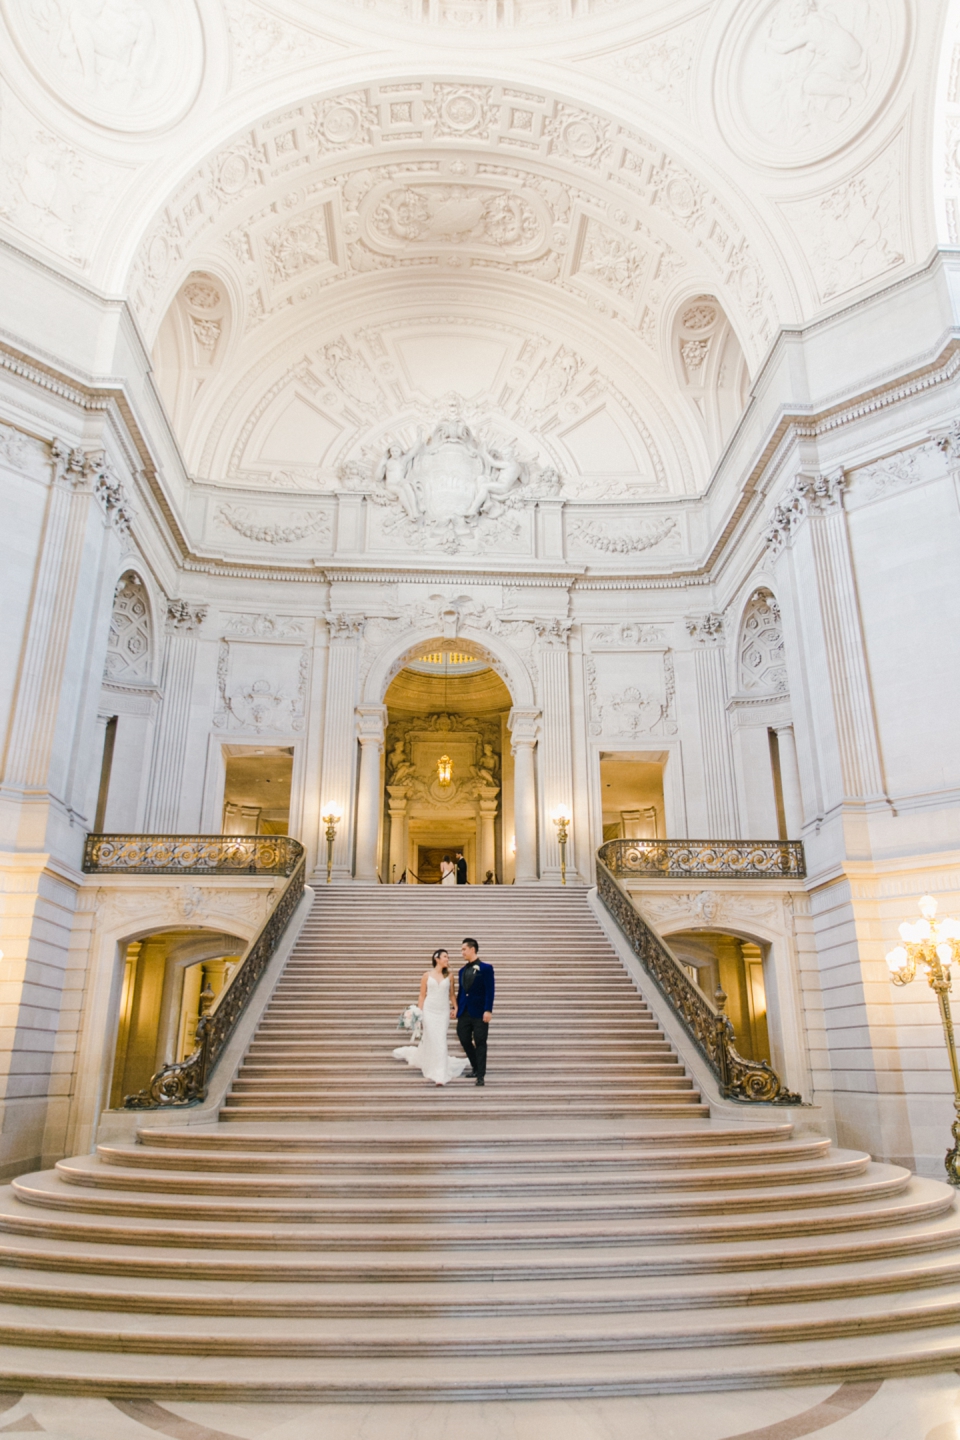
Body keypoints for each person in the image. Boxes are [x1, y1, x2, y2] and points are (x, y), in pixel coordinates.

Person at [392, 950, 466, 1086]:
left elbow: (452, 995)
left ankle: (441, 1072)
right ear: (436, 958)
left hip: (443, 1011)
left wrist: (455, 1008)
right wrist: (419, 1012)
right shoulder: (426, 975)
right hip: (429, 1010)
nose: (447, 959)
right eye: (445, 957)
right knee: (432, 1038)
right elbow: (422, 995)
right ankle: (436, 1071)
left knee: (441, 1039)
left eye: (447, 957)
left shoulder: (449, 976)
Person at [456, 937, 494, 1087]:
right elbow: (461, 992)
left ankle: (480, 1075)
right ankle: (475, 1066)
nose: (462, 953)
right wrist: (456, 1008)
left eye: (464, 949)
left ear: (472, 949)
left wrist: (488, 1009)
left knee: (480, 1042)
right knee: (463, 1038)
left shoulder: (486, 968)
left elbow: (490, 991)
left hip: (480, 1012)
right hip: (464, 1011)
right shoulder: (461, 971)